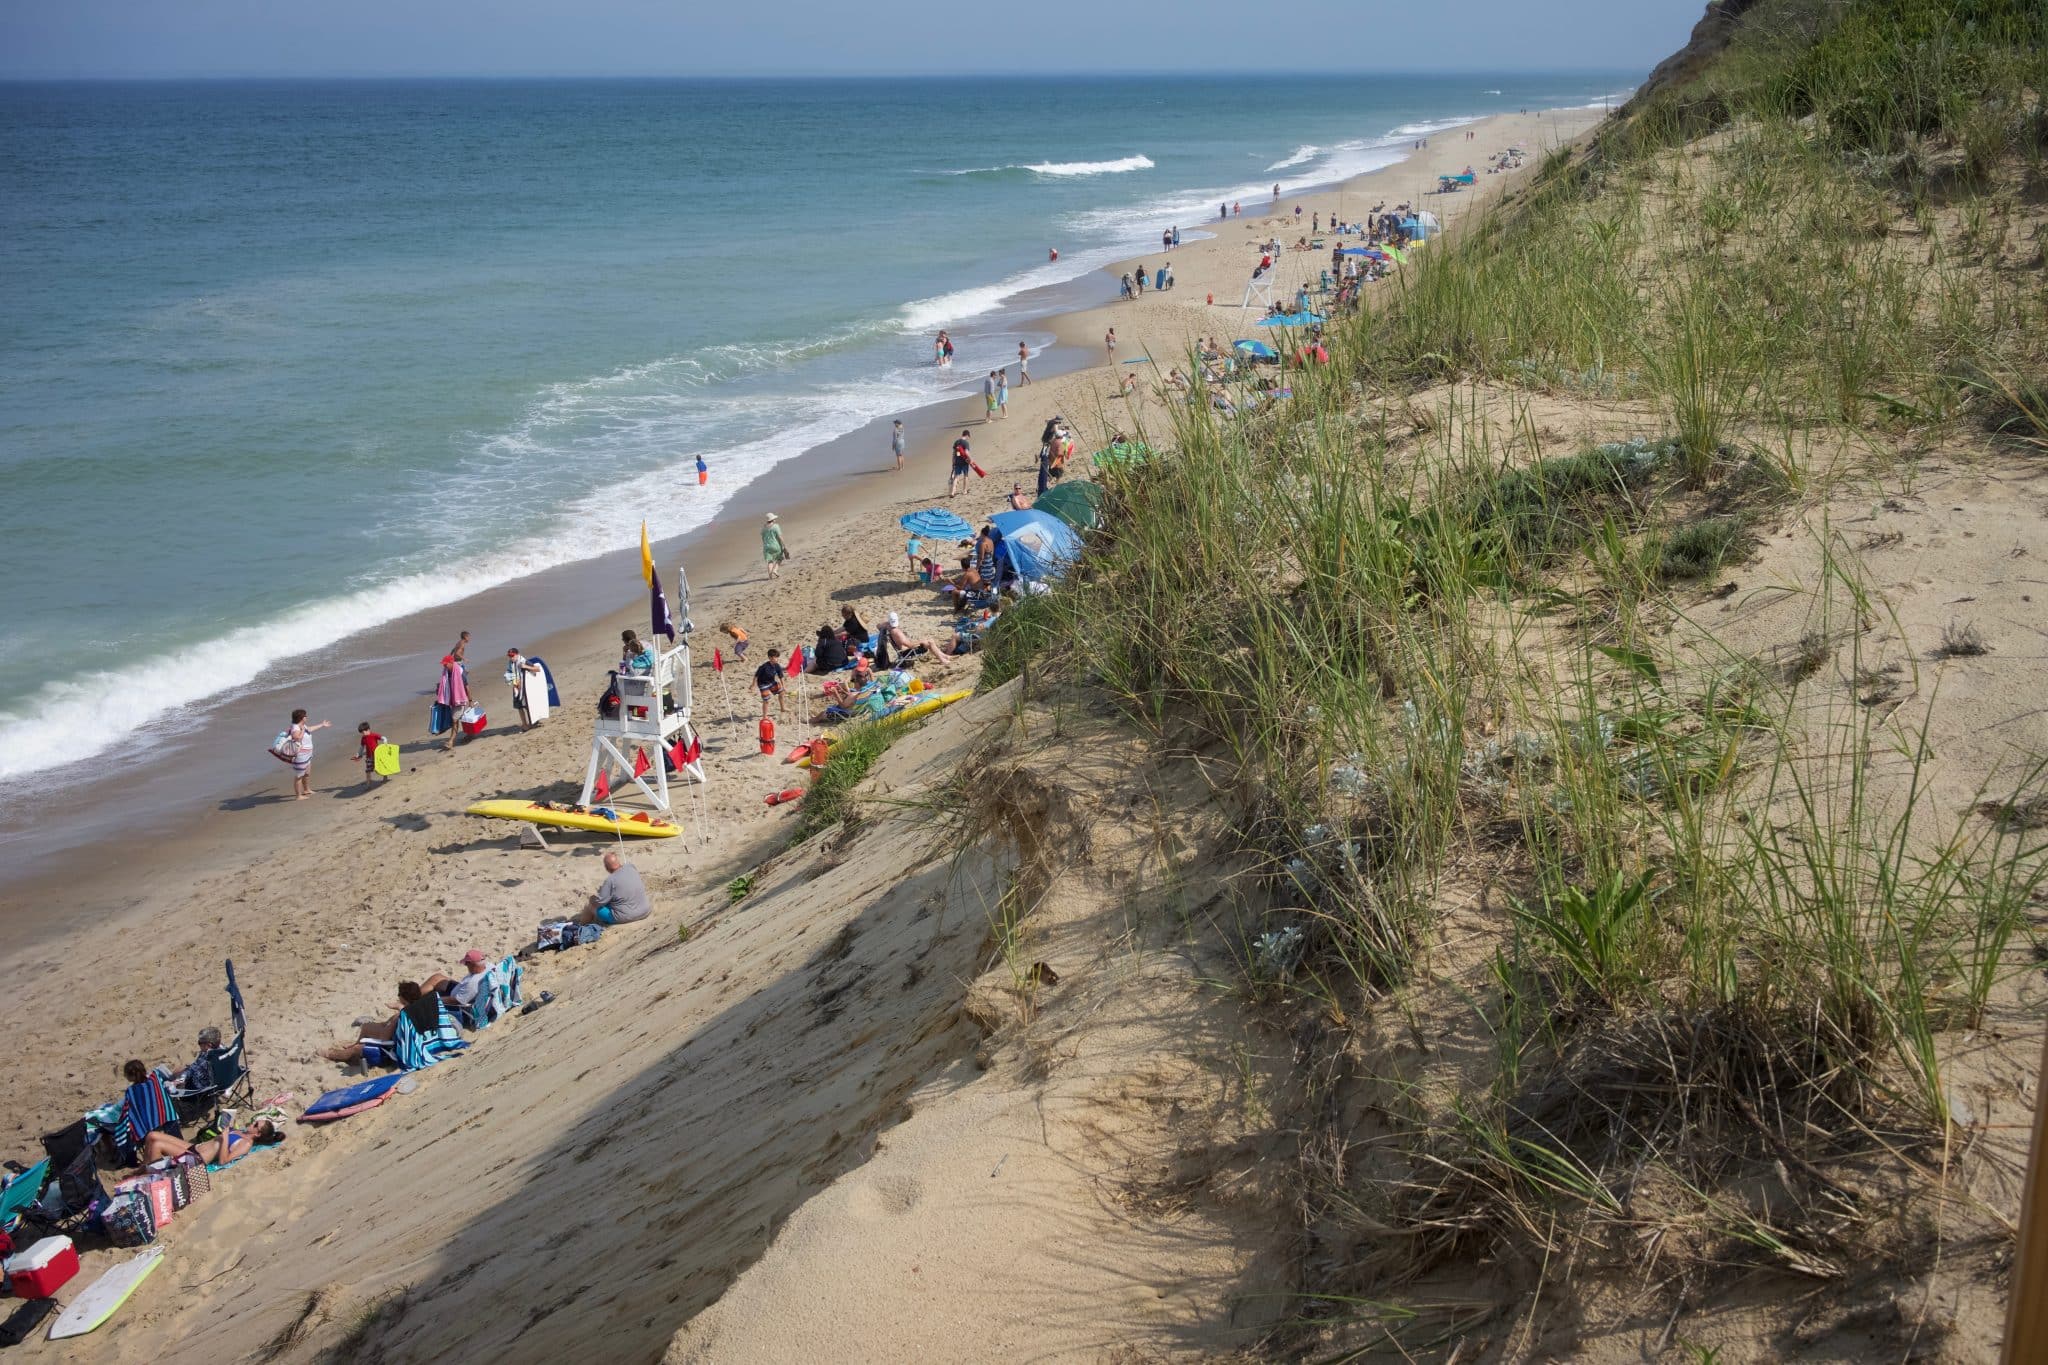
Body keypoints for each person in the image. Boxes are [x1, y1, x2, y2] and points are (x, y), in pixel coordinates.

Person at [320, 981, 435, 1062]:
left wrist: (389, 1023)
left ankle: (330, 1054)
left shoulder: (401, 1016)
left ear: (403, 998)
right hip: (407, 1042)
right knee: (366, 1027)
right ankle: (354, 1044)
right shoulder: (421, 1009)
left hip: (390, 1052)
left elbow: (383, 1038)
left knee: (356, 1049)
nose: (398, 996)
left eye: (399, 994)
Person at [139, 1119, 283, 1168]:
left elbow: (223, 1161)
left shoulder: (246, 1144)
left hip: (197, 1158)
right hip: (193, 1147)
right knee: (152, 1135)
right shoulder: (244, 1132)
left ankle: (149, 1175)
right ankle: (145, 1168)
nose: (252, 1123)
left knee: (157, 1145)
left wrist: (225, 1136)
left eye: (256, 1124)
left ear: (257, 1134)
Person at [573, 850, 652, 926]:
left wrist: (592, 899)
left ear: (607, 868)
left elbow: (599, 903)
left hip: (626, 917)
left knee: (590, 905)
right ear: (618, 862)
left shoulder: (610, 880)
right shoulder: (631, 867)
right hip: (645, 910)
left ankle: (580, 926)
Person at [422, 949, 492, 1013]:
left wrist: (434, 1000)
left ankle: (414, 1000)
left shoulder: (473, 983)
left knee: (429, 998)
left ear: (471, 964)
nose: (466, 965)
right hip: (464, 991)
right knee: (437, 977)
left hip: (455, 1001)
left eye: (466, 963)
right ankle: (415, 996)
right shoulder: (489, 967)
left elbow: (457, 1001)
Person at [280, 708, 329, 799]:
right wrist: (302, 730)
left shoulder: (302, 725)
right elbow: (297, 738)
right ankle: (298, 796)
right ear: (301, 718)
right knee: (299, 775)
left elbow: (309, 729)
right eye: (305, 716)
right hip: (300, 755)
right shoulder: (295, 727)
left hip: (307, 754)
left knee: (307, 773)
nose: (307, 717)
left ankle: (306, 790)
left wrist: (322, 725)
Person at [506, 648, 546, 730]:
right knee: (519, 707)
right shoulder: (510, 663)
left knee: (528, 705)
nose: (511, 658)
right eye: (509, 656)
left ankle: (533, 721)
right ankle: (524, 724)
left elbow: (537, 669)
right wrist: (509, 679)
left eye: (512, 656)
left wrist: (525, 666)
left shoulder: (523, 661)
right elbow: (509, 673)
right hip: (516, 688)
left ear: (517, 654)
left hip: (525, 688)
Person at [178, 1027, 224, 1092]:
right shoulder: (224, 1050)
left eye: (200, 1042)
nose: (199, 1044)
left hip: (200, 1092)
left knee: (181, 1069)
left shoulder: (206, 1058)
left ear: (209, 1045)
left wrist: (180, 1080)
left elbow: (192, 1070)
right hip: (221, 1086)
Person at [755, 649, 787, 716]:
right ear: (770, 658)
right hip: (763, 684)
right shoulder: (764, 667)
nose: (777, 659)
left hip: (771, 682)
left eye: (777, 657)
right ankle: (765, 716)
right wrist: (752, 685)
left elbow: (781, 676)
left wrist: (784, 686)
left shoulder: (777, 666)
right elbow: (756, 675)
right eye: (775, 657)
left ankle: (782, 708)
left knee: (782, 692)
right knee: (766, 700)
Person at [761, 512, 788, 579]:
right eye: (774, 519)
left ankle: (770, 576)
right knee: (779, 558)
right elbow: (780, 536)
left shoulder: (763, 528)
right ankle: (775, 570)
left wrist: (765, 545)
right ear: (773, 520)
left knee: (770, 561)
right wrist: (784, 546)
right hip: (775, 545)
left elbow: (763, 538)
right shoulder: (776, 526)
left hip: (766, 547)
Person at [950, 431, 973, 497]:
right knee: (965, 475)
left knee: (956, 476)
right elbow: (966, 452)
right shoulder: (966, 443)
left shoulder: (956, 442)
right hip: (964, 461)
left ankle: (953, 492)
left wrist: (953, 462)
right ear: (967, 435)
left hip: (957, 461)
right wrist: (970, 460)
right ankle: (964, 491)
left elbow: (954, 453)